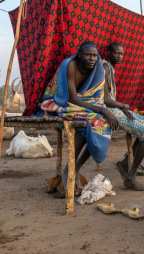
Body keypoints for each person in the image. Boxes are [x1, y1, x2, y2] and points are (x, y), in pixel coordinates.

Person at [39, 41, 118, 194]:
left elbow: (97, 97)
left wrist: (106, 110)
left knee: (101, 125)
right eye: (88, 55)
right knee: (87, 123)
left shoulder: (97, 69)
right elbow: (73, 99)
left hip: (85, 104)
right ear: (80, 54)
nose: (92, 58)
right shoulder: (69, 65)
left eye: (94, 55)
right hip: (61, 101)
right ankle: (69, 172)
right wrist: (104, 110)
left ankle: (74, 167)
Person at [103, 42, 144, 191]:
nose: (119, 56)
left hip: (116, 109)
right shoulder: (105, 68)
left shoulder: (110, 68)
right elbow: (105, 100)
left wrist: (123, 108)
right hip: (108, 112)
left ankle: (124, 163)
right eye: (116, 53)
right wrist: (123, 106)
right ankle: (131, 177)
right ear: (108, 53)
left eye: (121, 54)